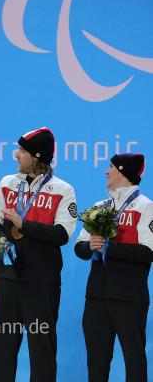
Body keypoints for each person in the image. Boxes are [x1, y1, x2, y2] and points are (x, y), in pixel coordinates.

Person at [0, 127, 77, 381]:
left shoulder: (63, 190)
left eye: (22, 151)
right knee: (4, 352)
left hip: (41, 284)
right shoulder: (6, 183)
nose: (16, 155)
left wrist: (24, 225)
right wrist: (0, 239)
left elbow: (62, 235)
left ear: (36, 156)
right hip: (6, 281)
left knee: (42, 354)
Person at [74, 153, 152, 381]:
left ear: (122, 171)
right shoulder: (100, 207)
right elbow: (79, 248)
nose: (106, 172)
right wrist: (90, 245)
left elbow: (150, 252)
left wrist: (109, 248)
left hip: (129, 298)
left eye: (110, 167)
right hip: (96, 297)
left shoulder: (146, 207)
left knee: (134, 362)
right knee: (96, 363)